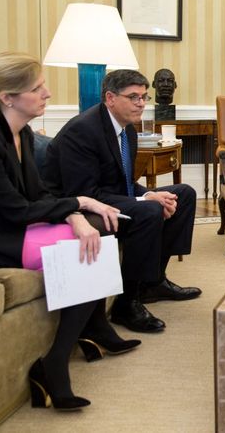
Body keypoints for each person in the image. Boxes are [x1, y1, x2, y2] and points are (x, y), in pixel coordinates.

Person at [0, 52, 140, 411]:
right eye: (37, 88)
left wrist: (77, 215)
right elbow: (16, 210)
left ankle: (92, 328)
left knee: (94, 231)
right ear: (8, 97)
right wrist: (79, 204)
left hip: (8, 229)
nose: (48, 93)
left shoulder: (16, 133)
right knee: (84, 246)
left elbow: (40, 195)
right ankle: (55, 362)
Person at [43, 69, 201, 334]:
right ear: (110, 98)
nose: (141, 103)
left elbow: (122, 182)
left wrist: (147, 193)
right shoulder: (82, 131)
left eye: (144, 97)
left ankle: (154, 282)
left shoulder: (126, 130)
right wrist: (145, 199)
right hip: (78, 206)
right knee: (150, 210)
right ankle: (126, 303)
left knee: (182, 194)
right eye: (133, 97)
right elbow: (84, 192)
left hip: (106, 197)